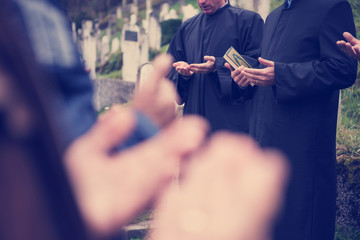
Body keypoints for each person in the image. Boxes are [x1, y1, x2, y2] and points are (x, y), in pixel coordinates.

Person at [227, 0, 357, 239]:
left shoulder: (332, 7)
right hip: (265, 134)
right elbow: (272, 67)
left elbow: (343, 69)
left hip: (303, 141)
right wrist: (249, 75)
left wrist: (282, 74)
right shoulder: (274, 16)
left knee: (300, 220)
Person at [167, 0, 263, 133]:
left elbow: (258, 67)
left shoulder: (248, 21)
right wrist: (183, 75)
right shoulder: (187, 27)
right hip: (193, 126)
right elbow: (169, 70)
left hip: (229, 126)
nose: (201, 1)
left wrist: (218, 65)